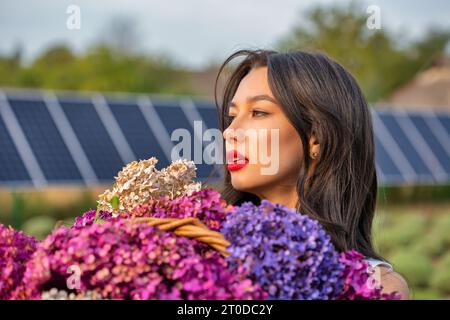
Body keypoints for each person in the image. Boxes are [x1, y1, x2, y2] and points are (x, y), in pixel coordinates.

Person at [214, 49, 410, 299]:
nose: (229, 131)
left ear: (316, 137)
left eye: (259, 112)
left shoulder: (375, 288)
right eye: (232, 116)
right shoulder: (203, 248)